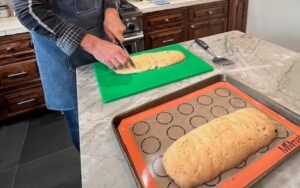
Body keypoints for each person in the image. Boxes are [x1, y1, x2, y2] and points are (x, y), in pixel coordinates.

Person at [12, 0, 129, 150]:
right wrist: (92, 44)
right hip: (64, 56)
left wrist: (111, 9)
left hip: (104, 47)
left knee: (115, 113)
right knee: (85, 129)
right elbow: (27, 10)